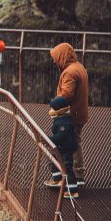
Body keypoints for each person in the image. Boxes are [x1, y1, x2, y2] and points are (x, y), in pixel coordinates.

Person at [47, 42, 89, 189]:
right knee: (75, 142)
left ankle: (72, 177)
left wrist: (53, 103)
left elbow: (67, 95)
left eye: (55, 57)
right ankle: (78, 175)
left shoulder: (70, 72)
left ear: (62, 56)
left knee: (69, 144)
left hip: (71, 114)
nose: (54, 60)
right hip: (79, 111)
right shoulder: (79, 67)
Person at [43, 96, 80, 199]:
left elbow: (61, 137)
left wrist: (49, 139)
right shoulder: (60, 118)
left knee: (67, 167)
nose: (50, 111)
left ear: (59, 110)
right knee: (53, 159)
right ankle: (57, 179)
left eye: (53, 108)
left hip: (66, 148)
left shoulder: (64, 122)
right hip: (60, 147)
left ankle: (73, 190)